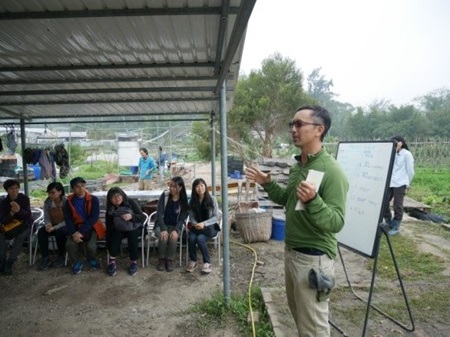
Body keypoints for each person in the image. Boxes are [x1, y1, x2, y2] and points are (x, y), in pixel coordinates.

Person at [245, 105, 349, 337]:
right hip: (292, 252)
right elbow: (287, 200)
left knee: (314, 328)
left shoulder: (332, 171)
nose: (293, 129)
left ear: (319, 130)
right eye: (291, 124)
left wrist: (313, 200)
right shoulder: (298, 166)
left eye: (299, 124)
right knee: (300, 318)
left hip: (314, 259)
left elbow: (336, 222)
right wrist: (266, 183)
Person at [65, 177, 105, 275]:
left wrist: (80, 232)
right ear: (73, 189)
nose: (81, 189)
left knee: (91, 246)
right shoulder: (69, 201)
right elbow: (68, 219)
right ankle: (77, 262)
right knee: (70, 244)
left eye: (83, 186)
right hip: (76, 227)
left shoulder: (93, 199)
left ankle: (91, 259)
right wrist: (74, 233)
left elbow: (94, 217)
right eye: (77, 187)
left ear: (86, 186)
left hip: (91, 227)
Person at [105, 187, 147, 276]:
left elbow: (142, 217)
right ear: (110, 199)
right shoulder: (110, 208)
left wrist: (132, 216)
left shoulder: (130, 202)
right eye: (113, 197)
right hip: (118, 229)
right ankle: (112, 261)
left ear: (122, 195)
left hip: (133, 226)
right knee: (115, 235)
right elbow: (109, 225)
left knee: (132, 235)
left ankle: (133, 261)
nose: (117, 199)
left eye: (118, 195)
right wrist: (108, 240)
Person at [155, 176, 189, 272]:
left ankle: (169, 259)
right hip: (161, 224)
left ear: (181, 187)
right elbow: (159, 213)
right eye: (171, 186)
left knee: (173, 237)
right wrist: (163, 229)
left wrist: (176, 230)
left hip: (174, 226)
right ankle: (161, 259)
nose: (172, 189)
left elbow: (182, 218)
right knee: (164, 236)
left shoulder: (183, 200)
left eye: (175, 186)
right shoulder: (165, 196)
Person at [186, 178, 220, 274]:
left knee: (200, 238)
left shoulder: (212, 199)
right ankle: (193, 261)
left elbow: (216, 216)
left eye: (202, 185)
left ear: (205, 186)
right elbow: (191, 216)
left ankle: (207, 263)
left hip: (210, 228)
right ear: (194, 189)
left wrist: (204, 224)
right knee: (191, 238)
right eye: (197, 186)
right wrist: (195, 224)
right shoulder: (192, 201)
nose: (200, 188)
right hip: (196, 227)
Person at [383, 135, 415, 236]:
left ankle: (396, 225)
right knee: (384, 202)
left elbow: (410, 171)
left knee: (397, 205)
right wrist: (395, 151)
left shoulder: (406, 154)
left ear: (400, 143)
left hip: (401, 183)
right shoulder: (393, 153)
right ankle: (389, 222)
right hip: (391, 182)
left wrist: (407, 183)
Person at [0, 179, 33, 276]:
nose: (14, 190)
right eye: (11, 188)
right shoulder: (4, 202)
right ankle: (1, 261)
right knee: (1, 236)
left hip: (24, 225)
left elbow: (28, 216)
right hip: (10, 227)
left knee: (20, 237)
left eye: (16, 188)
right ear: (7, 190)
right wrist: (12, 213)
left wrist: (19, 210)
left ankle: (11, 261)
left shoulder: (24, 199)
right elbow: (2, 220)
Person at [37, 182, 67, 270]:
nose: (50, 195)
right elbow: (46, 217)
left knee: (59, 232)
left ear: (60, 192)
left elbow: (68, 220)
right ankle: (45, 258)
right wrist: (48, 225)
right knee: (41, 232)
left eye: (53, 192)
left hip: (64, 225)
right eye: (49, 193)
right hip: (52, 224)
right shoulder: (48, 203)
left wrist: (55, 227)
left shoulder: (66, 202)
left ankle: (61, 255)